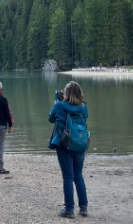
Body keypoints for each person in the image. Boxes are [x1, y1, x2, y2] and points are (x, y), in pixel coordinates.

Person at [48, 81, 89, 218]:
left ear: (66, 93)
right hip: (80, 143)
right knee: (78, 176)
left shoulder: (60, 105)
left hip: (64, 144)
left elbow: (51, 119)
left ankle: (69, 210)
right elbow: (85, 118)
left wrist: (56, 104)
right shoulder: (84, 107)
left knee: (68, 177)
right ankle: (83, 207)